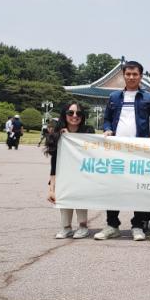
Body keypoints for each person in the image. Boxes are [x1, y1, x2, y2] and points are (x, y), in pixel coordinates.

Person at [94, 60, 150, 241]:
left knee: (139, 187)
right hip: (117, 150)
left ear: (141, 76)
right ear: (123, 76)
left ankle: (138, 225)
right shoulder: (114, 97)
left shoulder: (148, 98)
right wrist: (107, 129)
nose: (131, 77)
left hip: (139, 150)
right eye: (128, 74)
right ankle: (112, 225)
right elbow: (107, 119)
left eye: (135, 74)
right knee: (113, 187)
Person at [45, 102, 95, 239]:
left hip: (83, 174)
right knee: (64, 198)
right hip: (64, 175)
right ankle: (66, 227)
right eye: (70, 113)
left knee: (80, 198)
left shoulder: (88, 131)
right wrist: (51, 188)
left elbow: (92, 152)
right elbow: (54, 162)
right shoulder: (57, 134)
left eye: (78, 113)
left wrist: (71, 138)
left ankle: (83, 227)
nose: (74, 116)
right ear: (64, 114)